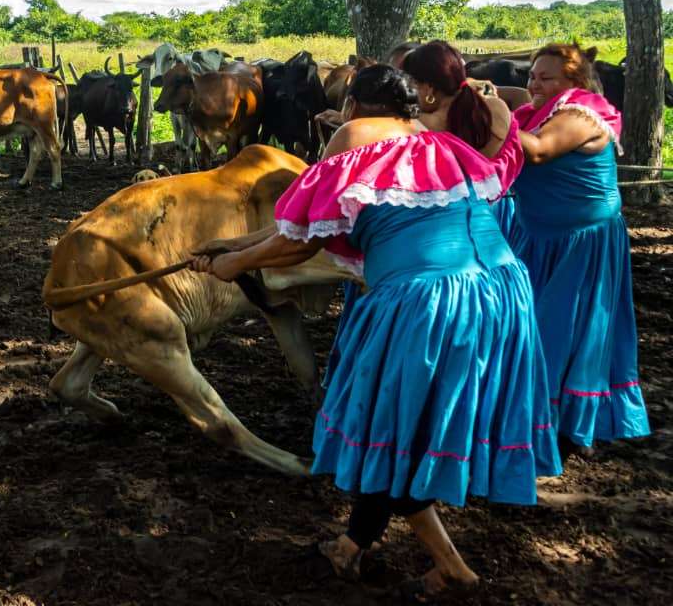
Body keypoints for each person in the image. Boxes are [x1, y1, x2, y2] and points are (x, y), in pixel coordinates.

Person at [192, 65, 559, 601]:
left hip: (424, 302)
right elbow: (303, 222)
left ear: (353, 108)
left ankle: (451, 568)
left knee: (387, 431)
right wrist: (230, 247)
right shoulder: (444, 148)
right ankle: (351, 546)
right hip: (498, 293)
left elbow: (299, 244)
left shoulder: (351, 140)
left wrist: (235, 265)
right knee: (400, 429)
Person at [509, 43, 649, 452]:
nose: (534, 83)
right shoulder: (538, 111)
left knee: (565, 330)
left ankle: (567, 423)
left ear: (574, 82)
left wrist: (490, 119)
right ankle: (535, 415)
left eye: (546, 77)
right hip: (537, 237)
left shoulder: (579, 116)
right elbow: (512, 99)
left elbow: (537, 151)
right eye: (532, 75)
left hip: (580, 243)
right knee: (531, 325)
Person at [401, 40, 517, 236]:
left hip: (448, 226)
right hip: (500, 218)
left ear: (428, 89)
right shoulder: (496, 109)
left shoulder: (417, 124)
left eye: (409, 85)